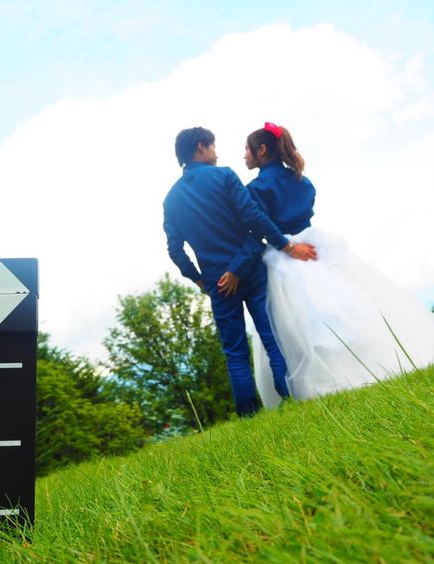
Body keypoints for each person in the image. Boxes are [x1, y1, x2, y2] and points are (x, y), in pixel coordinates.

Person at [242, 122, 434, 407]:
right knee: (339, 306)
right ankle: (364, 362)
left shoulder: (256, 188)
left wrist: (283, 245)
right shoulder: (302, 181)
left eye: (246, 149)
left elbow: (261, 226)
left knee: (296, 322)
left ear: (261, 150)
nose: (244, 155)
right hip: (313, 248)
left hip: (285, 253)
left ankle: (316, 384)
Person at [162, 127, 317, 417]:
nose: (216, 152)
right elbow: (253, 219)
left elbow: (174, 250)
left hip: (218, 284)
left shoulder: (171, 200)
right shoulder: (224, 176)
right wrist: (285, 247)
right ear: (201, 147)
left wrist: (198, 279)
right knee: (271, 338)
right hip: (252, 271)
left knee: (235, 353)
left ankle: (248, 415)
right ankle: (290, 398)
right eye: (213, 146)